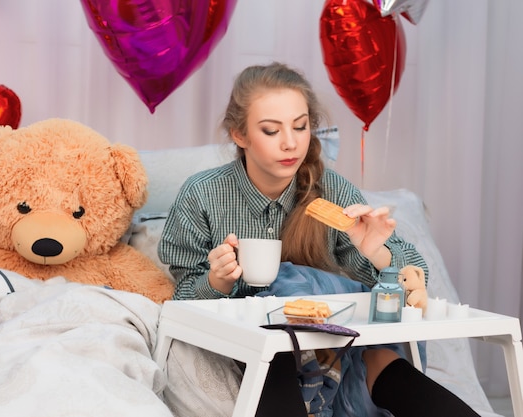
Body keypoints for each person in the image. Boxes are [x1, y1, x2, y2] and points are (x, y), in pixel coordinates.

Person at [158, 62, 479, 417]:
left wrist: (375, 252)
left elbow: (414, 275)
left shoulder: (330, 191)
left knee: (381, 354)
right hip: (267, 352)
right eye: (270, 130)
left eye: (301, 126)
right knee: (277, 340)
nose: (290, 142)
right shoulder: (202, 195)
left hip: (346, 349)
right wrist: (216, 281)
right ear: (240, 135)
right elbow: (181, 298)